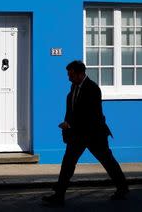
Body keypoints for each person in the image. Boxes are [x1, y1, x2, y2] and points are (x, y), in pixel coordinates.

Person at [42, 60, 129, 206]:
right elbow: (71, 111)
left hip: (95, 134)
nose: (68, 78)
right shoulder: (73, 87)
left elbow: (90, 115)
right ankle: (59, 195)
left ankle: (122, 188)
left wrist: (69, 124)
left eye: (71, 74)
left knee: (108, 162)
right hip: (78, 135)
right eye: (68, 75)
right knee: (68, 163)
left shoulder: (92, 89)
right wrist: (67, 129)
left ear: (80, 74)